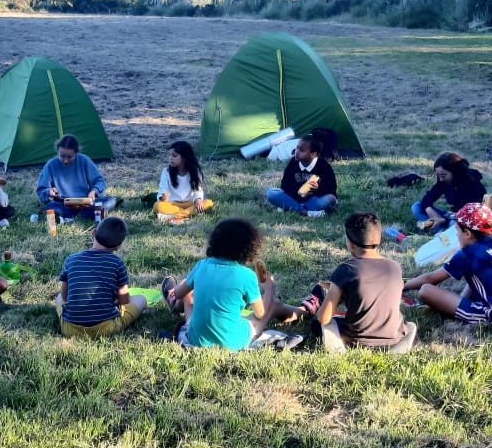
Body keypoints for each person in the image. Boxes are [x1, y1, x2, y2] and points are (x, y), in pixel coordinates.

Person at [170, 218, 300, 350]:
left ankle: (177, 308)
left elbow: (178, 292)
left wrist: (182, 288)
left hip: (197, 339)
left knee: (187, 295)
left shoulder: (201, 266)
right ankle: (303, 312)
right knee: (274, 304)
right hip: (232, 342)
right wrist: (269, 289)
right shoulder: (247, 276)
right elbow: (260, 314)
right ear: (249, 249)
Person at [402, 203, 492, 330]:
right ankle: (457, 306)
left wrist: (403, 286)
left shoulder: (468, 254)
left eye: (457, 230)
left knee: (426, 290)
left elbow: (430, 279)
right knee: (477, 276)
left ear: (468, 234)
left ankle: (451, 312)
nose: (456, 235)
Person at [306, 212, 416, 355]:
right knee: (409, 325)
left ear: (350, 243)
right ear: (379, 239)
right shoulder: (395, 267)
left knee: (319, 324)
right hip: (394, 338)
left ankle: (339, 346)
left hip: (355, 340)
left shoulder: (346, 270)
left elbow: (323, 318)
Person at [55, 216, 146, 337]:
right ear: (118, 246)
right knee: (141, 299)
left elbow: (65, 296)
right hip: (106, 328)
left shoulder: (71, 260)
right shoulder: (117, 263)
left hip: (70, 329)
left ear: (93, 233)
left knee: (58, 299)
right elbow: (124, 300)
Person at [36, 134, 117, 222]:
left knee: (110, 201)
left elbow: (99, 180)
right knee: (52, 207)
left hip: (85, 202)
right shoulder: (51, 165)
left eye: (70, 157)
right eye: (62, 156)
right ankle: (84, 214)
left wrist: (94, 191)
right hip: (63, 203)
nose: (65, 161)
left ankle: (70, 216)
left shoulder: (84, 160)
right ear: (57, 152)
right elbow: (41, 190)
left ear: (76, 153)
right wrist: (49, 192)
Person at [412, 152, 490, 234]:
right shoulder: (444, 181)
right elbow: (429, 197)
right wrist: (430, 211)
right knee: (416, 207)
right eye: (438, 176)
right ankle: (442, 230)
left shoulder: (472, 184)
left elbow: (472, 214)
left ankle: (443, 232)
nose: (441, 179)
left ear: (454, 172)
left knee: (454, 224)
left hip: (469, 221)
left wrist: (451, 217)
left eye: (443, 175)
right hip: (454, 216)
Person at [265, 134, 338, 217]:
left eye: (302, 150)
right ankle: (307, 212)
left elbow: (331, 189)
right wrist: (299, 191)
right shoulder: (293, 163)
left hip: (313, 200)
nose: (297, 152)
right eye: (297, 148)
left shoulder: (323, 166)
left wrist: (318, 188)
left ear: (313, 154)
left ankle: (290, 208)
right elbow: (285, 186)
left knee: (330, 199)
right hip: (295, 198)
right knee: (271, 193)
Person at [154, 140, 213, 222]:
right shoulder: (166, 172)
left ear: (184, 157)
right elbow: (162, 191)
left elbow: (198, 190)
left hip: (190, 202)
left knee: (208, 203)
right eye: (169, 155)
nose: (170, 158)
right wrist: (163, 197)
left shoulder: (195, 171)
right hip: (173, 203)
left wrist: (198, 200)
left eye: (174, 156)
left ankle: (176, 217)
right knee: (158, 206)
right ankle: (188, 215)